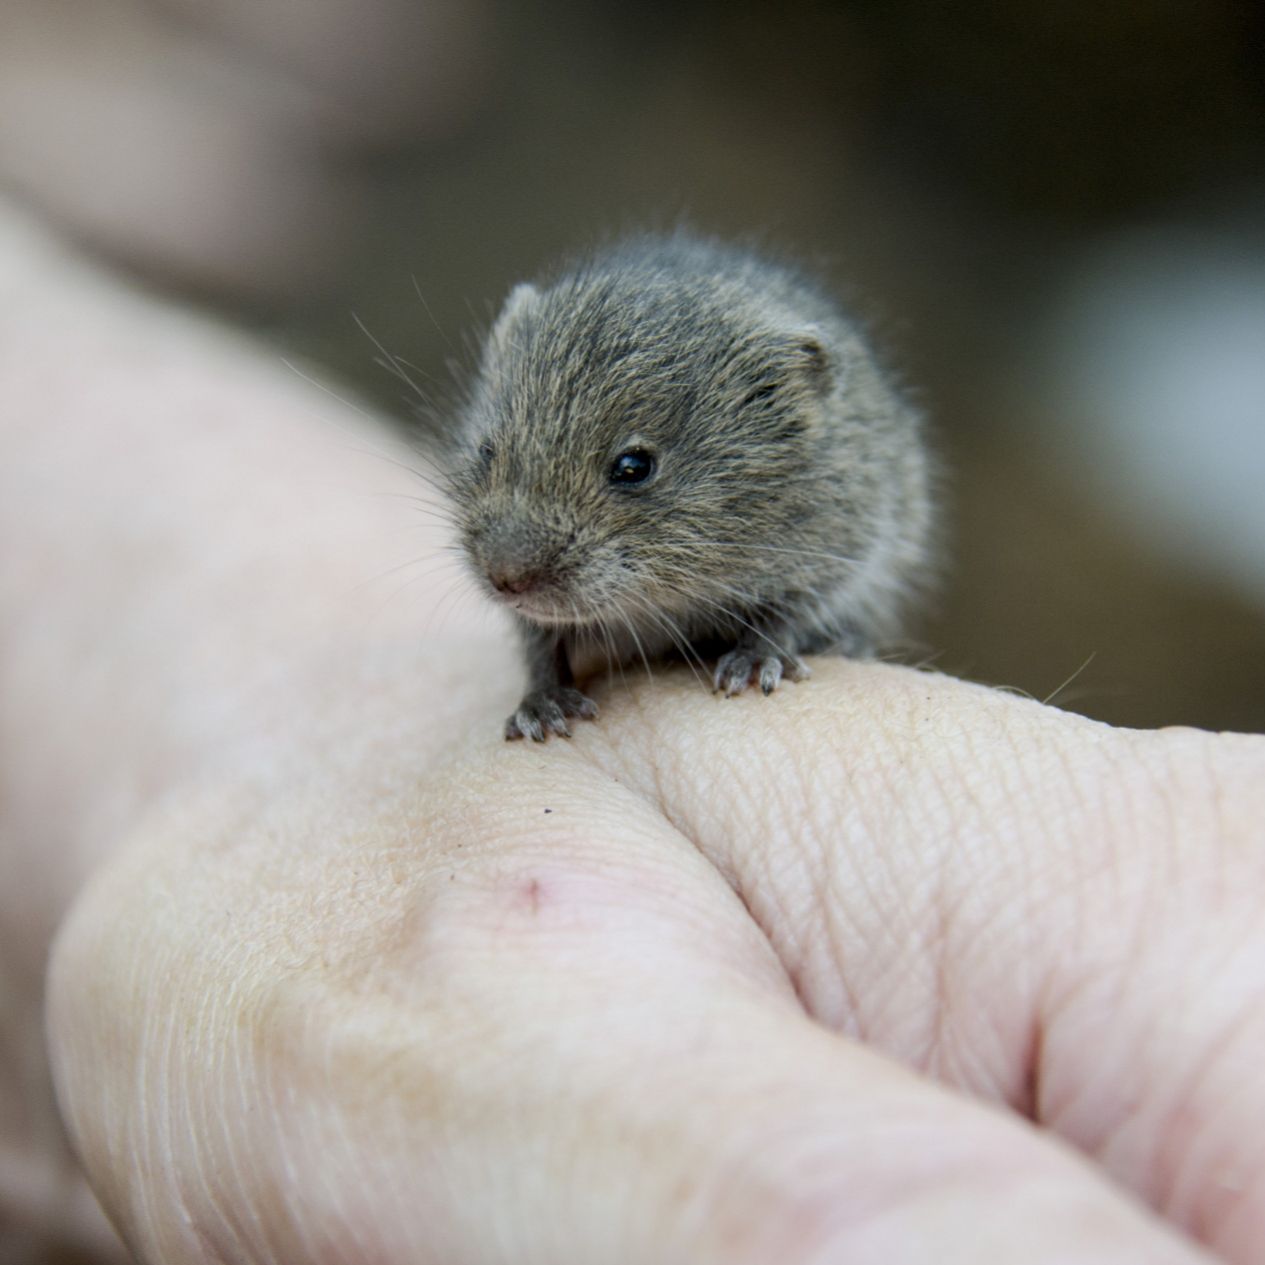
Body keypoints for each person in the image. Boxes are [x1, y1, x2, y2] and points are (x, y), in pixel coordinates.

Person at [1, 198, 1262, 1265]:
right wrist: (538, 675)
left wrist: (775, 638)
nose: (508, 549)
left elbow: (848, 544)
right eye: (494, 455)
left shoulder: (801, 450)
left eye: (628, 472)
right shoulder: (526, 505)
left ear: (784, 416)